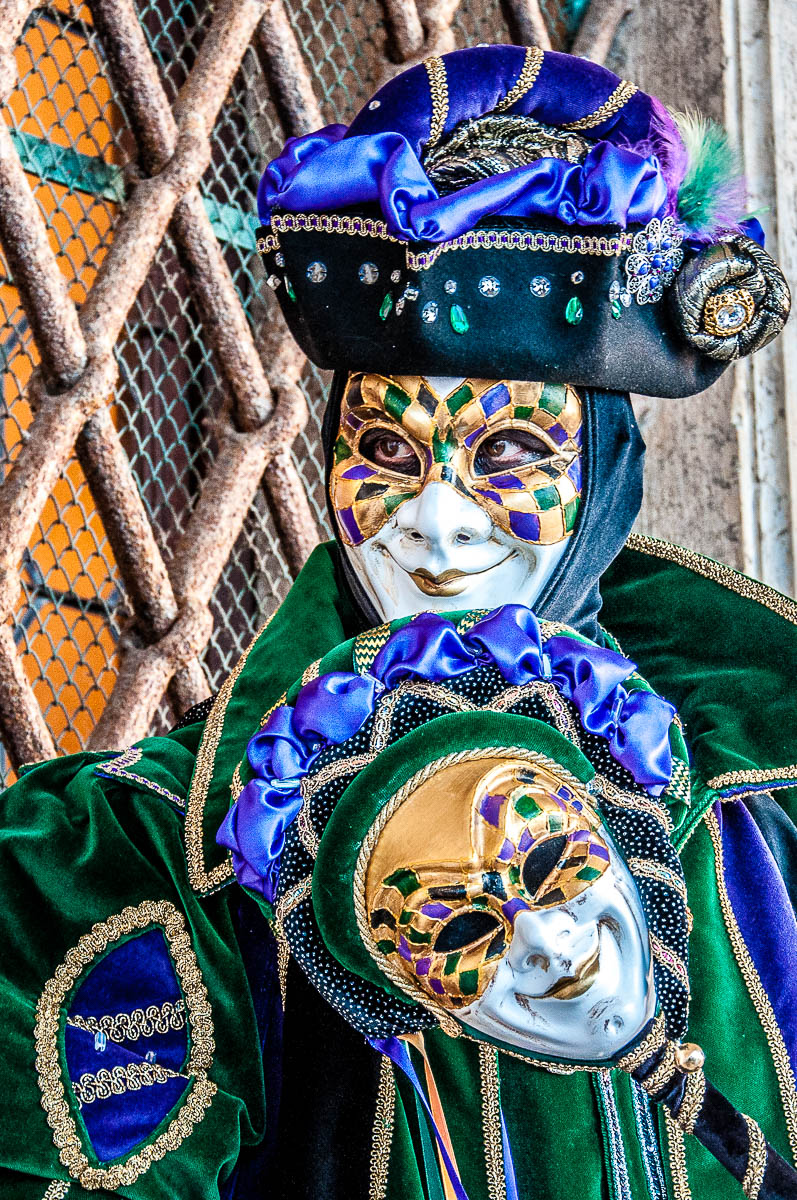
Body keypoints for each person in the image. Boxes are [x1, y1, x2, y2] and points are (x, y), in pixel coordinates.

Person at [0, 42, 794, 1200]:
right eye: (383, 452)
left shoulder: (764, 779)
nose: (433, 522)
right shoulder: (140, 855)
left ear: (601, 472)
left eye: (507, 454)